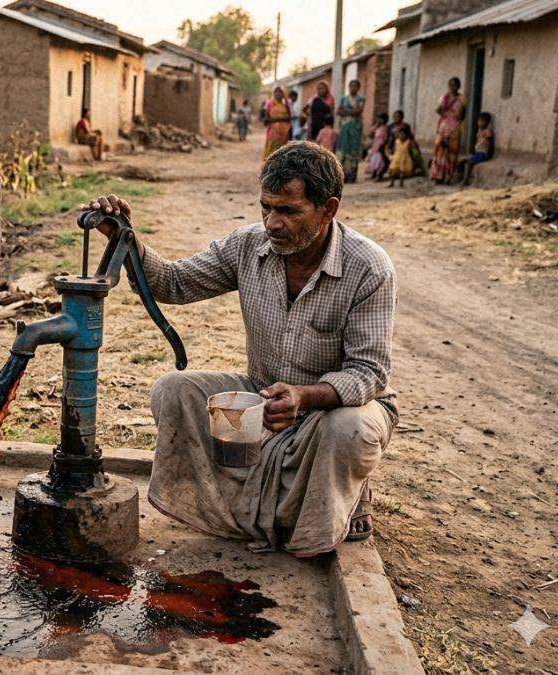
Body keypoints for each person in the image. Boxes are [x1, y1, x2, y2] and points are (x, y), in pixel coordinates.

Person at [80, 141, 396, 555]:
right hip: (263, 395)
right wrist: (127, 239)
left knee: (348, 431)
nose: (272, 223)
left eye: (288, 211)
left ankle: (342, 502)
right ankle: (246, 513)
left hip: (333, 409)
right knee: (172, 390)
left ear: (329, 209)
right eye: (266, 207)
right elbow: (174, 282)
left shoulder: (368, 267)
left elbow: (368, 373)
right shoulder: (248, 247)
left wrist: (304, 396)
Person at [430, 77, 466, 184]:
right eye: (450, 85)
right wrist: (445, 115)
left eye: (455, 85)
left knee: (452, 151)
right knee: (439, 149)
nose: (452, 87)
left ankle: (448, 177)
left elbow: (464, 114)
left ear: (459, 86)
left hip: (455, 126)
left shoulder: (462, 99)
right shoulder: (444, 97)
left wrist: (456, 120)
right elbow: (438, 110)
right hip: (443, 125)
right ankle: (438, 176)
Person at [335, 80, 365, 183]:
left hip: (355, 128)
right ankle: (343, 176)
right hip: (344, 129)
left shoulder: (361, 98)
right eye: (351, 86)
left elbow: (359, 111)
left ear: (358, 87)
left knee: (353, 150)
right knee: (343, 150)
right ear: (348, 87)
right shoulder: (343, 98)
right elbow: (338, 111)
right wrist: (352, 112)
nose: (353, 88)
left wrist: (346, 112)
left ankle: (352, 176)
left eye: (355, 86)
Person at [261, 87, 292, 158]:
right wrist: (276, 119)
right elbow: (266, 120)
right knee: (271, 154)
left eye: (280, 92)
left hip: (284, 134)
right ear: (274, 93)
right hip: (273, 133)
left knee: (282, 153)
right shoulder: (269, 103)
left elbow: (289, 118)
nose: (278, 94)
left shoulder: (285, 105)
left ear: (283, 94)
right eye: (276, 92)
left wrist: (286, 102)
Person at [368, 112, 390, 181]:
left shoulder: (385, 128)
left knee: (380, 161)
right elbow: (370, 134)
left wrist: (383, 145)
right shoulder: (378, 127)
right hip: (375, 146)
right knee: (374, 161)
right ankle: (374, 174)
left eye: (380, 119)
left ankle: (379, 175)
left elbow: (386, 138)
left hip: (381, 146)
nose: (379, 120)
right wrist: (376, 126)